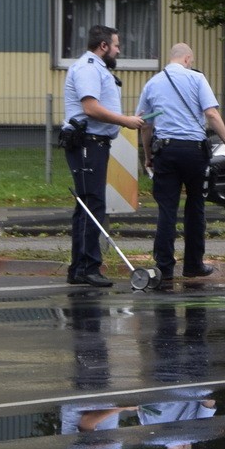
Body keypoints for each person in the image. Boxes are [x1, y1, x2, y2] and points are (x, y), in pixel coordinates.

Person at [136, 43, 225, 282]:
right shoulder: (197, 79)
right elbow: (211, 114)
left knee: (167, 208)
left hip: (165, 151)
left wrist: (148, 155)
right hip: (193, 152)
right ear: (188, 58)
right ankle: (193, 265)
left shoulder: (152, 83)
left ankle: (164, 268)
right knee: (195, 205)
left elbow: (145, 124)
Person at [61, 25, 146, 287]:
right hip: (87, 141)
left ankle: (79, 268)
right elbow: (91, 107)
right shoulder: (89, 67)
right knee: (92, 203)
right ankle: (88, 267)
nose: (119, 50)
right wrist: (125, 121)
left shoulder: (96, 68)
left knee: (86, 204)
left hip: (94, 142)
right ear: (104, 46)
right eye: (117, 45)